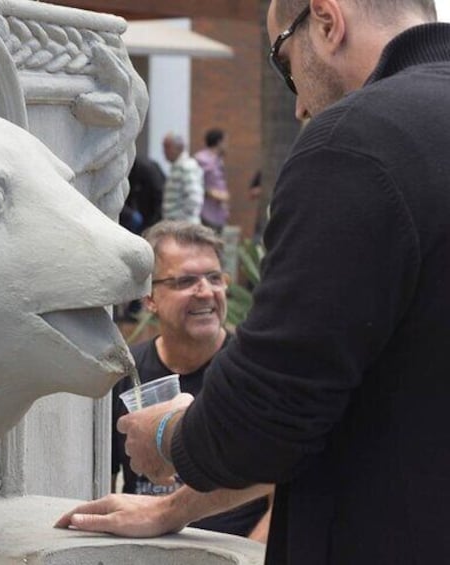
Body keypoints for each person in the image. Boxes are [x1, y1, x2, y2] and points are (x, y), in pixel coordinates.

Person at [104, 1, 450, 563]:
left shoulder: (356, 141)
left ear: (327, 20)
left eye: (283, 62)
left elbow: (270, 413)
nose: (299, 106)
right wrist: (173, 509)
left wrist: (169, 437)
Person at [109, 220, 272, 538]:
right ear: (150, 298)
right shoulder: (124, 371)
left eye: (214, 278)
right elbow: (101, 478)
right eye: (185, 281)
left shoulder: (252, 372)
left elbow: (280, 497)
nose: (206, 291)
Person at [160, 134, 204, 224]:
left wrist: (179, 221)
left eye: (167, 147)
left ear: (179, 147)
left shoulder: (187, 166)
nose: (164, 151)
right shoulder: (177, 166)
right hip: (177, 226)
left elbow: (194, 199)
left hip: (184, 227)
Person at [194, 128, 229, 232]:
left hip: (218, 214)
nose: (227, 145)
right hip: (206, 213)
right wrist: (212, 193)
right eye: (225, 142)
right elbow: (196, 182)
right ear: (219, 142)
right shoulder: (202, 159)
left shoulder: (219, 160)